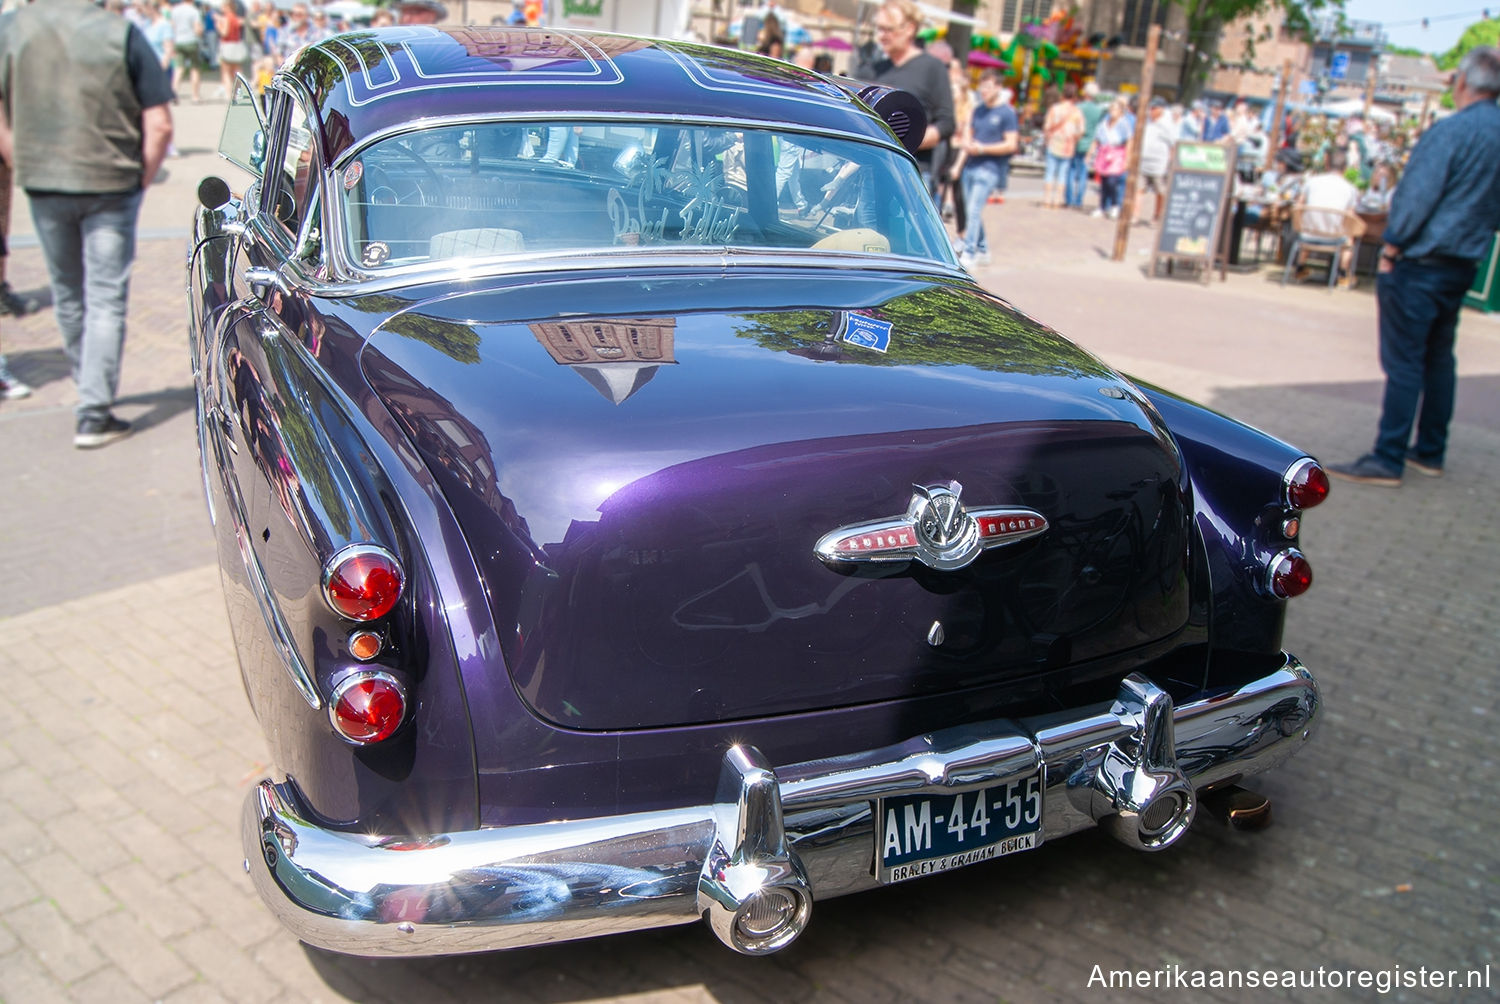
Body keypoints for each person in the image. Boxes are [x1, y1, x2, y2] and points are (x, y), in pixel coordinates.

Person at [0, 0, 174, 447]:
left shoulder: (12, 28)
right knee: (105, 296)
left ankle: (88, 387)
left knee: (67, 291)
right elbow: (160, 125)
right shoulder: (121, 34)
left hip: (45, 183)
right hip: (111, 183)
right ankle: (94, 410)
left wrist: (23, 161)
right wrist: (141, 181)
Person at [1328, 47, 1500, 487]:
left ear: (1462, 82)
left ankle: (1388, 457)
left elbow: (1416, 198)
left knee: (1405, 361)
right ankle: (1430, 450)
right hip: (1463, 261)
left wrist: (1393, 246)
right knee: (1440, 357)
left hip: (1421, 261)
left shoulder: (1452, 131)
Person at [856, 0, 954, 193]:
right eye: (879, 29)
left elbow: (947, 123)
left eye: (888, 30)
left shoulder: (932, 68)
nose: (881, 36)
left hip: (912, 172)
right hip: (871, 170)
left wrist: (907, 141)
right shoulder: (872, 70)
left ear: (909, 29)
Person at [951, 70, 1018, 268]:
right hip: (970, 165)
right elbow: (968, 136)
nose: (985, 91)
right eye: (982, 87)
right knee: (972, 210)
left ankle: (969, 252)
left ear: (998, 87)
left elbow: (1011, 144)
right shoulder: (979, 110)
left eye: (989, 87)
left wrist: (983, 148)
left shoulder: (1006, 113)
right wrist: (963, 155)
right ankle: (983, 249)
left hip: (989, 168)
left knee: (973, 209)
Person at [1291, 146, 1359, 283]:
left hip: (1308, 234)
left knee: (1309, 223)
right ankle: (1343, 273)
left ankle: (1300, 267)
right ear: (1345, 168)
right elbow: (1350, 218)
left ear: (1327, 165)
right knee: (1350, 236)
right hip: (1334, 237)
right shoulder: (1350, 189)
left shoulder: (1311, 182)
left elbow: (1299, 205)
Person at [1041, 82, 1083, 209]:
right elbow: (1081, 130)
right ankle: (1057, 200)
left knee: (1050, 173)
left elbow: (1047, 126)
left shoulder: (1054, 109)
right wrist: (1074, 139)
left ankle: (1047, 199)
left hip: (1054, 143)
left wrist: (1048, 138)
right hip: (1068, 145)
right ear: (1074, 96)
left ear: (1063, 95)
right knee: (1062, 175)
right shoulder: (1077, 112)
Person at [1065, 80, 1104, 210]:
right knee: (1083, 172)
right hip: (1089, 143)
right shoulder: (1098, 110)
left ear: (1085, 93)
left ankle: (1069, 199)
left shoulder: (1078, 108)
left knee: (1071, 170)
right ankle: (1079, 200)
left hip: (1076, 141)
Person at [1090, 97, 1129, 220]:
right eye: (1111, 109)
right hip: (1104, 151)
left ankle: (1115, 205)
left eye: (1115, 109)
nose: (1112, 111)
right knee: (1104, 181)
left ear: (1121, 112)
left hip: (1117, 152)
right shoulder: (1104, 123)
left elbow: (1129, 141)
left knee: (1112, 181)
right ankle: (1101, 207)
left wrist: (1127, 158)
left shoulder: (1123, 124)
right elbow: (1097, 139)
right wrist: (1090, 153)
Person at [1136, 97, 1173, 224]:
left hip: (1159, 163)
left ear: (1161, 109)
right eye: (1150, 107)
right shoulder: (1146, 122)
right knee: (1139, 189)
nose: (1151, 110)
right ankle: (1135, 215)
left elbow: (1173, 144)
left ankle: (1157, 216)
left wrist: (1170, 163)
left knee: (1160, 191)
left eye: (1154, 108)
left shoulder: (1167, 125)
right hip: (1143, 160)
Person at [169, 0, 205, 102]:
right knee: (195, 68)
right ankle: (195, 96)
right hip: (191, 41)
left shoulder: (174, 10)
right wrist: (201, 31)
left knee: (178, 68)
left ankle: (174, 93)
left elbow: (172, 26)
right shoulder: (194, 11)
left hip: (178, 40)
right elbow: (197, 28)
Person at [214, 0, 246, 99]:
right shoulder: (236, 18)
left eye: (223, 7)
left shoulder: (226, 18)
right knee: (237, 71)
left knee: (226, 72)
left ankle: (228, 94)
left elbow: (225, 33)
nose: (221, 9)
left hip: (227, 45)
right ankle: (240, 93)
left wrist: (218, 25)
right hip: (236, 44)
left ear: (227, 7)